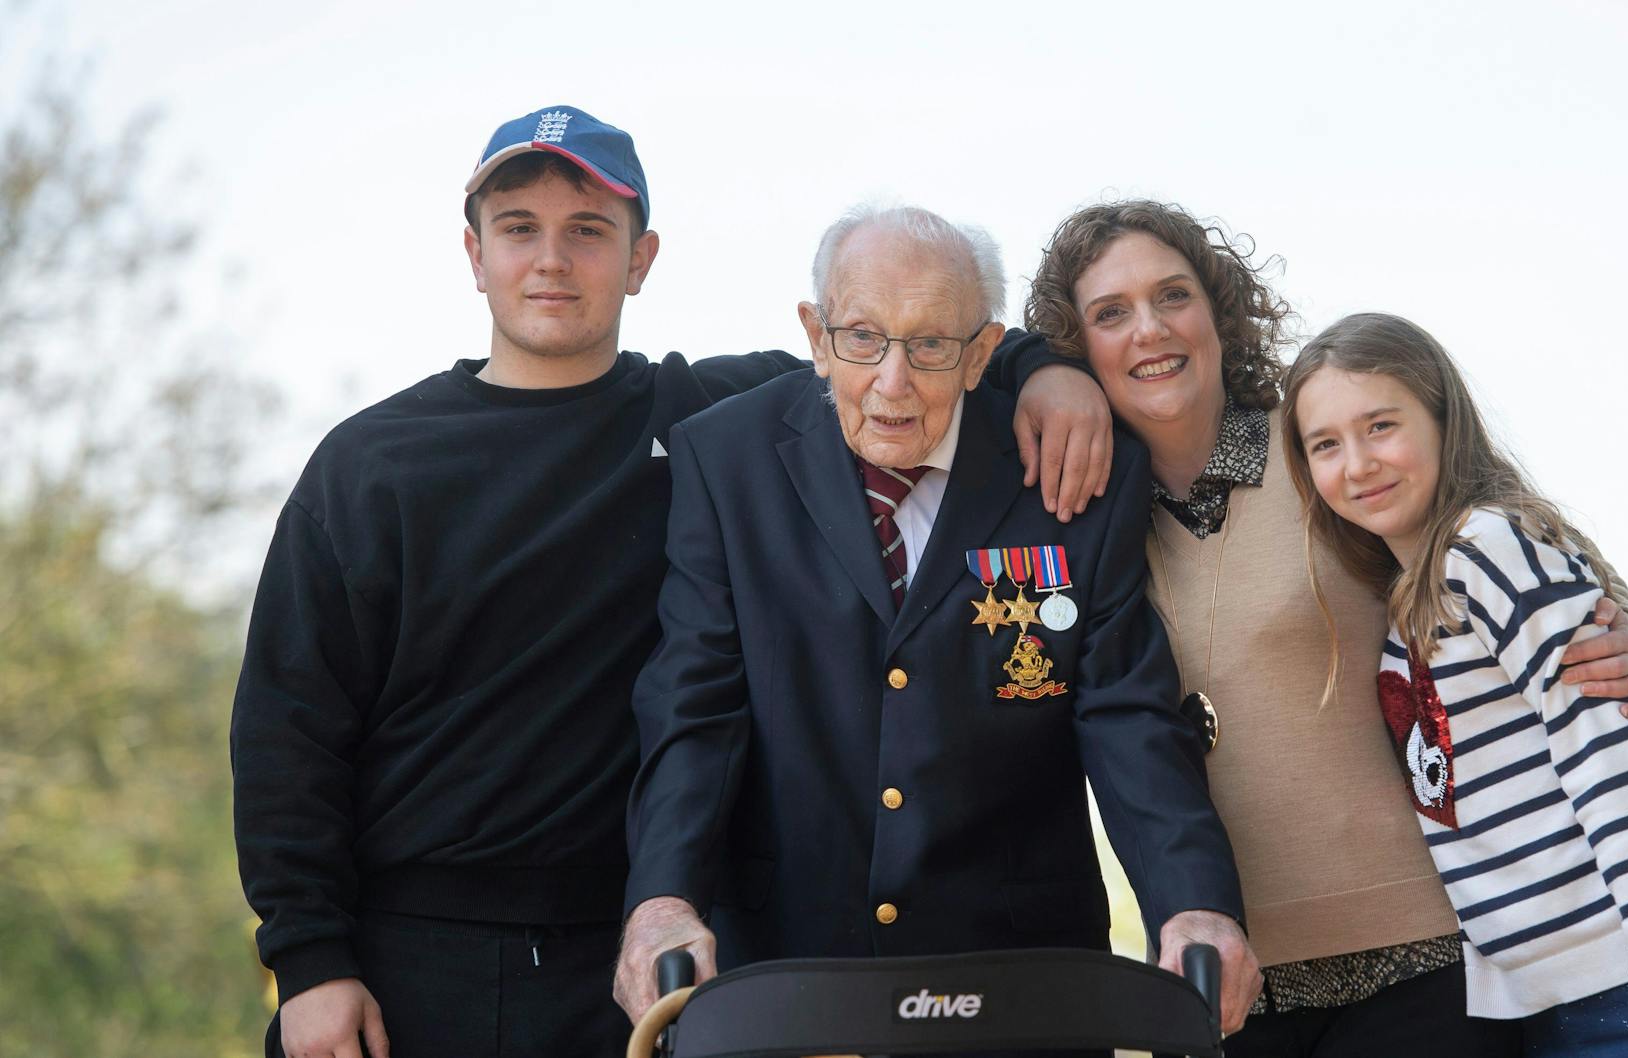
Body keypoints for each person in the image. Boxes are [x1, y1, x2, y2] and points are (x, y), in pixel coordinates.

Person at [231, 108, 1113, 1058]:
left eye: (588, 231)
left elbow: (901, 344)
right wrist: (312, 959)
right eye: (519, 227)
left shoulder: (711, 416)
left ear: (641, 259)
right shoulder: (372, 465)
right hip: (414, 953)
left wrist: (1044, 370)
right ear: (474, 253)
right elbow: (288, 729)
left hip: (644, 951)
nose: (552, 260)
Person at [1016, 200, 1628, 1057]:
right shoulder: (1082, 517)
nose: (1149, 330)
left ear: (1216, 310)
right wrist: (1029, 374)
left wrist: (1619, 622)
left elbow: (1495, 523)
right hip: (1231, 989)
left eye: (1173, 296)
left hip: (1428, 962)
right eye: (1110, 314)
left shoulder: (1315, 448)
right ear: (1078, 347)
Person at [613, 204, 1260, 1036]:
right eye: (862, 338)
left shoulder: (1069, 471)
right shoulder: (725, 458)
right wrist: (664, 897)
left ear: (982, 353)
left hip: (1018, 981)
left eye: (929, 345)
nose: (892, 381)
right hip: (785, 972)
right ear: (815, 333)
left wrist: (1195, 904)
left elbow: (1128, 712)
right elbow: (693, 706)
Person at [1280, 312, 1628, 1058]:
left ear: (1444, 421)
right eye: (1326, 445)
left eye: (1381, 426)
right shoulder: (1410, 604)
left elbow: (1610, 760)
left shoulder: (1485, 547)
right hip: (1556, 1009)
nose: (1356, 464)